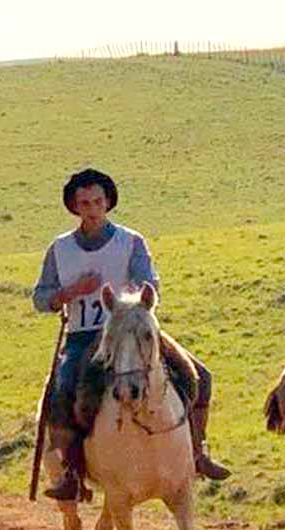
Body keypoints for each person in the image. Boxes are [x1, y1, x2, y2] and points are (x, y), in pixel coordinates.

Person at [33, 169, 231, 502]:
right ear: (74, 207)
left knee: (200, 376)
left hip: (133, 330)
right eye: (84, 203)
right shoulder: (61, 248)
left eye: (98, 201)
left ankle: (196, 452)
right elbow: (41, 297)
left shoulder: (131, 241)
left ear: (108, 202)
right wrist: (69, 292)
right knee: (63, 390)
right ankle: (71, 472)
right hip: (84, 334)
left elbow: (148, 283)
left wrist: (131, 303)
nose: (92, 209)